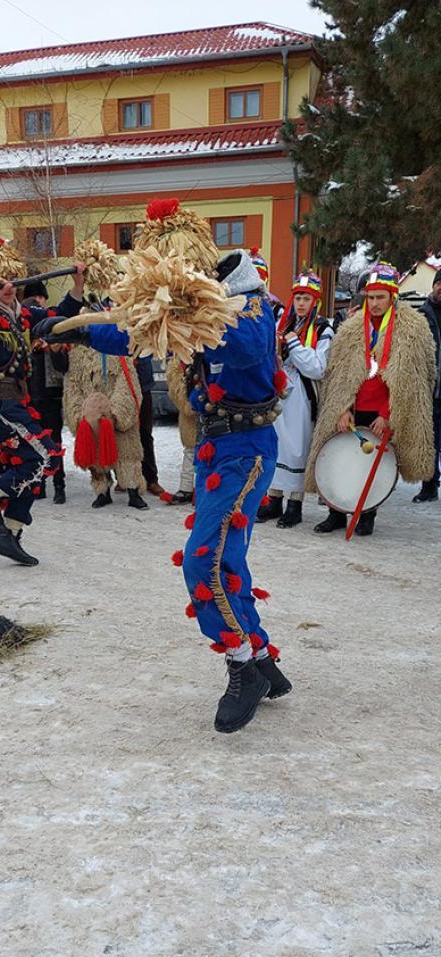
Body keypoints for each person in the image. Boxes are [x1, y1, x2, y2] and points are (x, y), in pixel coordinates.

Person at [41, 249, 291, 734]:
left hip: (246, 450)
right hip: (215, 448)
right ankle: (260, 658)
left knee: (203, 561)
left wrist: (191, 313)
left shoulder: (253, 307)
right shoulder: (200, 308)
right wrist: (73, 328)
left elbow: (242, 348)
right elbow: (135, 335)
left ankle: (240, 663)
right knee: (226, 561)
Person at [0, 236, 84, 565]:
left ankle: (9, 535)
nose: (8, 287)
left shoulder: (23, 315)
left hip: (14, 402)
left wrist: (78, 281)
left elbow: (60, 316)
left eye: (11, 279)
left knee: (30, 466)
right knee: (45, 457)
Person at [307, 262, 436, 536]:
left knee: (373, 466)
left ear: (392, 296)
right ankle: (336, 512)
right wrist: (343, 409)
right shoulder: (352, 329)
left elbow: (412, 381)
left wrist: (387, 413)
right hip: (352, 410)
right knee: (343, 460)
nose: (375, 303)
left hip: (383, 411)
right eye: (371, 297)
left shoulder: (412, 330)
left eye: (380, 297)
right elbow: (338, 376)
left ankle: (367, 513)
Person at [257, 270, 333, 528]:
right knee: (277, 446)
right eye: (298, 297)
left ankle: (295, 504)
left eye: (306, 299)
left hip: (303, 395)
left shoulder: (323, 328)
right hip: (280, 394)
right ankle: (274, 500)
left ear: (315, 302)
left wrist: (294, 345)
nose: (301, 303)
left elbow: (317, 368)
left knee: (297, 449)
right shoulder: (284, 323)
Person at [62, 327, 148, 510]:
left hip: (115, 415)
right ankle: (102, 492)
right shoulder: (77, 356)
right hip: (90, 416)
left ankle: (133, 491)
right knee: (96, 458)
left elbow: (127, 382)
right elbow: (73, 386)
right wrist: (80, 414)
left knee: (127, 454)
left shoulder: (120, 351)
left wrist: (115, 413)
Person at [23, 281, 69, 505]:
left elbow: (62, 367)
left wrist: (55, 350)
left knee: (55, 443)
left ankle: (59, 485)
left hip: (50, 396)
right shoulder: (22, 344)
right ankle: (39, 484)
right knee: (35, 443)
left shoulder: (52, 339)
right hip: (30, 399)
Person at [413, 268, 441, 502]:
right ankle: (429, 486)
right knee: (430, 439)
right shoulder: (422, 315)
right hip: (432, 388)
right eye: (439, 283)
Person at [163, 356, 197, 504]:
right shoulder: (177, 364)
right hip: (191, 418)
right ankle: (186, 488)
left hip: (213, 415)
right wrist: (192, 405)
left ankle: (205, 488)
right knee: (190, 451)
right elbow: (177, 391)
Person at [136, 356, 164, 496]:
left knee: (145, 435)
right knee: (122, 435)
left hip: (143, 387)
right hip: (121, 387)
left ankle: (151, 479)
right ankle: (124, 477)